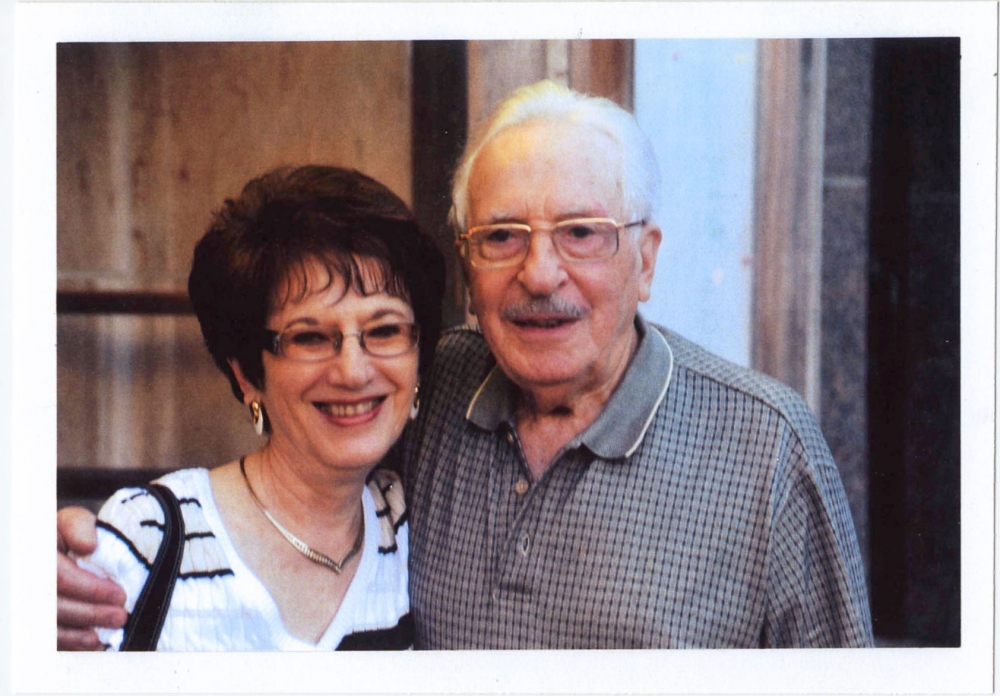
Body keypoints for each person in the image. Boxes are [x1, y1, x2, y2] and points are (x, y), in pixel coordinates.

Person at [58, 81, 872, 649]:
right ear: (467, 266)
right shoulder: (429, 388)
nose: (540, 273)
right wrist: (52, 572)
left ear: (646, 260)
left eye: (583, 232)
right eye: (502, 236)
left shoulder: (765, 447)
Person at [57, 165, 445, 650]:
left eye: (385, 330)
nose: (353, 371)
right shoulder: (147, 541)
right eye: (309, 337)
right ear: (246, 373)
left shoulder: (406, 529)